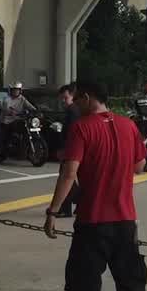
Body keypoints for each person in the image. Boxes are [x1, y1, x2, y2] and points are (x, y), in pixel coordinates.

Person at [45, 80, 147, 291]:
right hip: (125, 220)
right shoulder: (128, 126)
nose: (74, 105)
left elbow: (69, 173)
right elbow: (139, 166)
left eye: (76, 100)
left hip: (93, 221)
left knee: (89, 286)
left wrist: (53, 211)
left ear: (86, 97)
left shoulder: (82, 128)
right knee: (135, 284)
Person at [0, 81, 35, 164]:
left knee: (26, 131)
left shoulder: (22, 99)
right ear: (11, 90)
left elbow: (30, 106)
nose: (15, 92)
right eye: (14, 90)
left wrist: (36, 111)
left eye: (17, 90)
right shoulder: (7, 99)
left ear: (20, 91)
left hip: (19, 120)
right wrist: (11, 112)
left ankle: (24, 150)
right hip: (7, 121)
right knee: (2, 139)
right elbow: (6, 109)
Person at [56, 84, 80, 218]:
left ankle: (67, 208)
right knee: (69, 179)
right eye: (62, 99)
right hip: (71, 149)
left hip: (70, 149)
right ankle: (76, 204)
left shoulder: (73, 111)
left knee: (65, 179)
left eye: (65, 98)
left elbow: (71, 133)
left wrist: (63, 149)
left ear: (72, 96)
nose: (63, 101)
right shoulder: (73, 110)